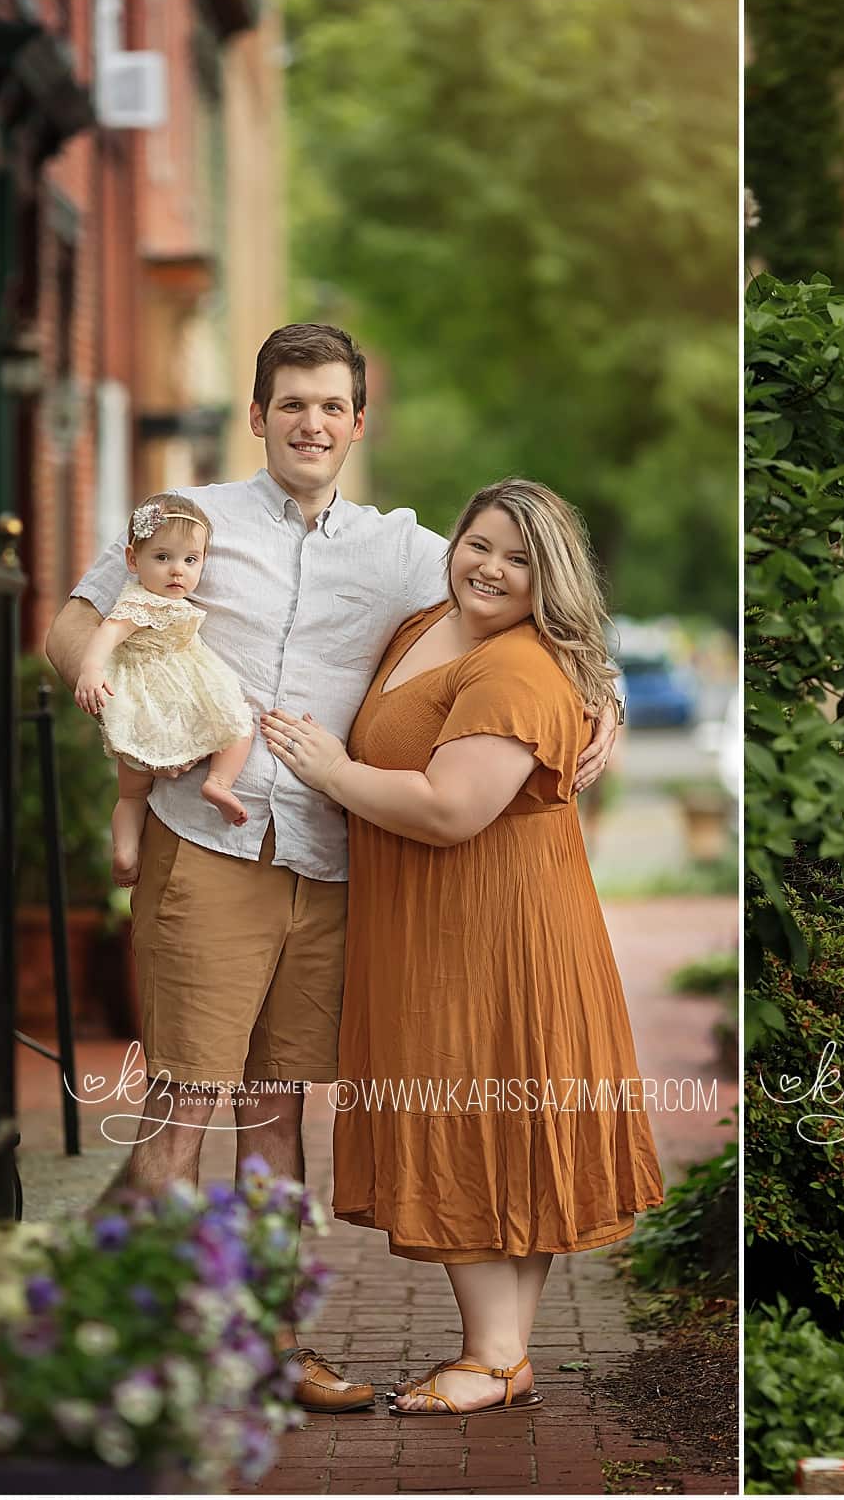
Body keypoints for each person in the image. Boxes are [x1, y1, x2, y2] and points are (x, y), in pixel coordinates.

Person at [44, 324, 619, 1414]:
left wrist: (610, 701)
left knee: (272, 1112)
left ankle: (268, 1344)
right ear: (258, 415)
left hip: (328, 859)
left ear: (358, 423)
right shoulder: (188, 523)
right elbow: (74, 624)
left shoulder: (402, 548)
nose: (311, 423)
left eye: (332, 406)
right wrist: (128, 702)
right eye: (291, 403)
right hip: (209, 845)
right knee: (183, 1102)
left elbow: (534, 606)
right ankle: (91, 1338)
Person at [259, 477, 665, 1417]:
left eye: (519, 559)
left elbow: (450, 810)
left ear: (549, 578)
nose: (491, 567)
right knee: (500, 1121)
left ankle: (488, 1355)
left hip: (489, 930)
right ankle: (505, 1355)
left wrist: (332, 769)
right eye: (479, 544)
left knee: (475, 1116)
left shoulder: (516, 666)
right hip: (454, 922)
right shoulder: (431, 624)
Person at [71, 494, 257, 887]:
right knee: (238, 724)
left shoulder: (159, 597)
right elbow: (109, 631)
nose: (177, 571)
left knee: (133, 794)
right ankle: (216, 784)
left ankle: (127, 850)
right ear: (132, 561)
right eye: (162, 558)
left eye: (191, 560)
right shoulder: (141, 602)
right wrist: (89, 669)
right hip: (164, 692)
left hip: (160, 698)